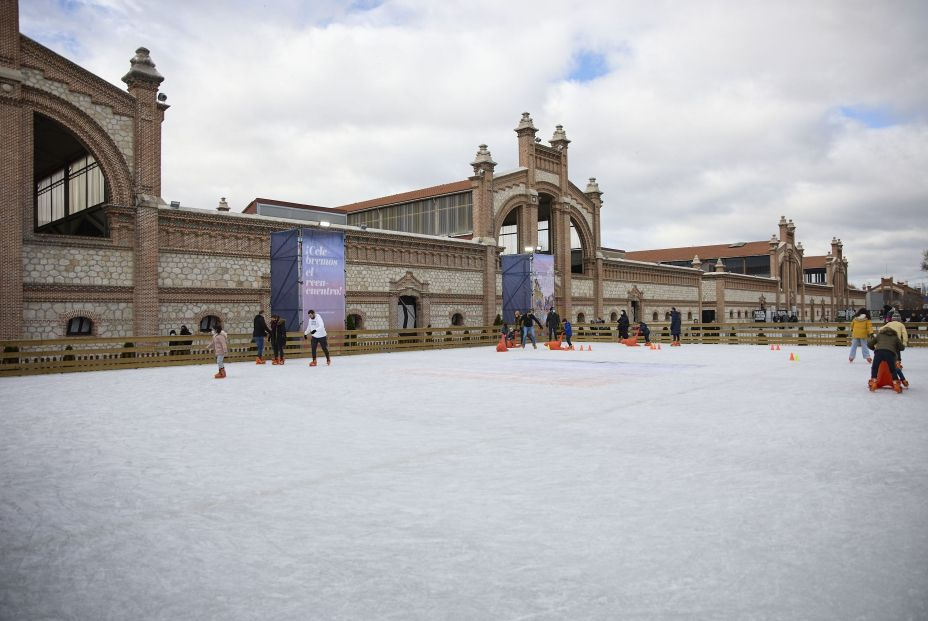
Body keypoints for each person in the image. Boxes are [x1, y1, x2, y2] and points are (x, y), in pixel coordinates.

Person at [867, 324, 904, 392]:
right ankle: (896, 384)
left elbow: (869, 344)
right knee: (892, 369)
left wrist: (874, 349)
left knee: (875, 367)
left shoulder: (879, 335)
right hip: (890, 353)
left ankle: (874, 382)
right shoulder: (895, 337)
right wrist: (895, 347)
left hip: (879, 352)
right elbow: (902, 348)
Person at [884, 319, 910, 388]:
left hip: (888, 341)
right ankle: (897, 362)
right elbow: (904, 333)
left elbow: (881, 329)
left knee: (890, 352)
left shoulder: (889, 324)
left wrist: (883, 336)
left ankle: (893, 363)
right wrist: (904, 342)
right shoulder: (901, 324)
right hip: (897, 340)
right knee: (897, 351)